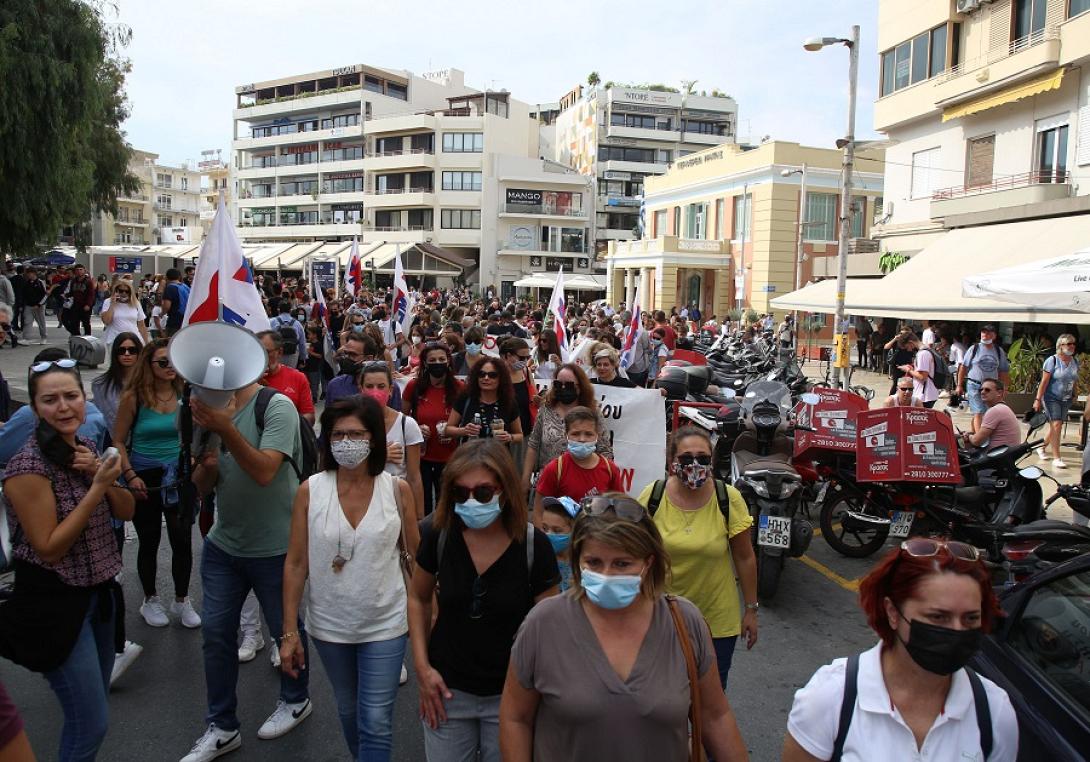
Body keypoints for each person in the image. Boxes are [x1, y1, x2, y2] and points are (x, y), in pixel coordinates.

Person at [499, 493, 749, 761]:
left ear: (648, 563)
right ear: (578, 560)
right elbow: (515, 718)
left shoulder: (685, 622)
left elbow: (715, 716)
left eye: (622, 563)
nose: (606, 575)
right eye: (594, 562)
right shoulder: (543, 624)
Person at [0, 357, 134, 760]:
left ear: (84, 399)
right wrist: (97, 488)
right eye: (50, 400)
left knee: (95, 711)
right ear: (33, 408)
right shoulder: (26, 468)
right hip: (56, 606)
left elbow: (127, 510)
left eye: (71, 396)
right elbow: (49, 547)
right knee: (89, 724)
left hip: (100, 596)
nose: (63, 407)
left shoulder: (87, 448)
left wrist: (101, 475)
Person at [783, 538, 1016, 761]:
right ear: (893, 613)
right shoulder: (830, 697)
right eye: (938, 617)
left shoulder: (994, 712)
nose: (957, 631)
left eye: (970, 618)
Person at [280, 398, 420, 761]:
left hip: (386, 622)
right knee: (348, 710)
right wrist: (289, 632)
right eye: (338, 435)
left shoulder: (397, 490)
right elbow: (296, 564)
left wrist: (427, 615)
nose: (346, 442)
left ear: (374, 438)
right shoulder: (310, 491)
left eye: (356, 434)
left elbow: (416, 559)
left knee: (375, 719)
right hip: (330, 625)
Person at [182, 372, 310, 761]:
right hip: (224, 545)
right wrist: (207, 462)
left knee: (285, 629)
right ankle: (222, 726)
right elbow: (203, 485)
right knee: (216, 635)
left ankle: (296, 699)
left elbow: (265, 471)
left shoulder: (275, 406)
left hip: (276, 546)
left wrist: (225, 428)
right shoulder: (203, 409)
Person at [408, 439, 559, 762]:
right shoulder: (439, 534)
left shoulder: (534, 546)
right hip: (446, 690)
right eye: (460, 493)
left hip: (512, 695)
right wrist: (422, 668)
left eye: (484, 493)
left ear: (505, 490)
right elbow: (418, 597)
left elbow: (550, 626)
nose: (471, 502)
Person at [638, 427, 758, 689]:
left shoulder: (728, 498)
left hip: (715, 622)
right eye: (686, 458)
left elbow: (745, 557)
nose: (695, 464)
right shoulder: (653, 496)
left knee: (710, 698)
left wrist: (751, 610)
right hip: (661, 618)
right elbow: (634, 554)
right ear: (672, 461)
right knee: (661, 694)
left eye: (703, 458)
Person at [111, 338, 199, 630]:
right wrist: (130, 475)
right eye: (163, 362)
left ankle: (182, 599)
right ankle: (150, 599)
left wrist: (194, 458)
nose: (170, 367)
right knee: (149, 540)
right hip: (144, 476)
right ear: (149, 365)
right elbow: (118, 441)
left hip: (178, 475)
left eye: (173, 361)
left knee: (182, 539)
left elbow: (196, 433)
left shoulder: (186, 394)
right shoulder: (134, 397)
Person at [523, 364, 612, 494]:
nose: (563, 388)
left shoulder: (593, 413)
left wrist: (602, 482)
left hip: (583, 485)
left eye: (569, 385)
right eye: (558, 384)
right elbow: (533, 444)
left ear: (580, 387)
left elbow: (605, 450)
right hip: (548, 484)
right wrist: (525, 479)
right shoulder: (546, 409)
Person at [403, 342, 465, 516]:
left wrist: (453, 430)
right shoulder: (414, 387)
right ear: (424, 363)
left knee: (445, 503)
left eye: (441, 359)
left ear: (448, 361)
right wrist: (415, 428)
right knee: (422, 502)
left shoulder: (460, 388)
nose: (437, 363)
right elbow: (402, 418)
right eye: (432, 360)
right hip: (420, 456)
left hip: (450, 456)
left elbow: (467, 421)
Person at [359, 361, 425, 520]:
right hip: (360, 501)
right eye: (369, 386)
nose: (375, 392)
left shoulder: (406, 425)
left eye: (381, 386)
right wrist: (380, 455)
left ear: (390, 390)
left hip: (395, 503)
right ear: (361, 389)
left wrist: (419, 518)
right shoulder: (350, 424)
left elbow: (414, 477)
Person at [533, 407, 624, 520]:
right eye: (575, 434)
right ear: (566, 435)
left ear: (597, 435)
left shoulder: (610, 470)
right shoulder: (554, 469)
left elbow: (620, 508)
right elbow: (538, 512)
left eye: (588, 434)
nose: (582, 439)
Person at [444, 356, 524, 449]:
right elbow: (448, 430)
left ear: (501, 378)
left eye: (492, 375)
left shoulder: (508, 401)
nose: (486, 378)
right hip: (469, 455)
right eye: (481, 374)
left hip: (497, 455)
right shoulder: (465, 398)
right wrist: (464, 431)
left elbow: (519, 435)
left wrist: (509, 437)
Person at [1032, 333, 1079, 469]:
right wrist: (1037, 400)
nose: (1072, 346)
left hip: (1066, 398)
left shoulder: (1074, 361)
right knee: (1057, 424)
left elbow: (1074, 379)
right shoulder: (1052, 361)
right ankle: (1057, 458)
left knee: (1056, 425)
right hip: (1051, 397)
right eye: (1069, 344)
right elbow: (1044, 382)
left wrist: (1075, 393)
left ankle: (1041, 447)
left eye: (1073, 343)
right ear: (1061, 346)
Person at [955, 325, 1010, 434]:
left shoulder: (998, 351)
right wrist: (959, 385)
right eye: (983, 332)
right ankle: (980, 439)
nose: (985, 335)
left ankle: (974, 433)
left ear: (994, 336)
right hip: (974, 385)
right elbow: (963, 367)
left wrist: (1004, 388)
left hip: (991, 387)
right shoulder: (974, 349)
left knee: (985, 412)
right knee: (979, 412)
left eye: (988, 333)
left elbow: (1003, 371)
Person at [258, 330, 316, 424]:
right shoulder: (247, 381)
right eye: (257, 352)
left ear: (280, 352)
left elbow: (309, 415)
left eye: (266, 352)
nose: (261, 356)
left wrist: (287, 427)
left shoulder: (297, 378)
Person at [960, 379, 1022, 451]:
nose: (982, 392)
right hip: (1008, 453)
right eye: (981, 390)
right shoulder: (1003, 408)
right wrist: (972, 434)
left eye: (987, 390)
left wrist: (968, 436)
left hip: (997, 455)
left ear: (999, 393)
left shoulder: (995, 411)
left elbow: (977, 441)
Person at [538, 496, 577, 591]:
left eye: (557, 530)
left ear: (574, 531)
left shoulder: (582, 563)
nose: (549, 534)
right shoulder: (538, 559)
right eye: (545, 528)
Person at [100, 278, 149, 347]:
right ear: (116, 290)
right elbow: (106, 321)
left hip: (133, 340)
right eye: (121, 291)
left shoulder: (136, 303)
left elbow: (141, 326)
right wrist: (112, 304)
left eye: (127, 291)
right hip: (114, 340)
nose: (124, 293)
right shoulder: (108, 302)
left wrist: (146, 344)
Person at [270, 299, 306, 371]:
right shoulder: (297, 324)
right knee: (291, 374)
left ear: (278, 309)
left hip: (277, 354)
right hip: (293, 355)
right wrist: (303, 358)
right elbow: (302, 343)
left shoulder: (271, 322)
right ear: (290, 310)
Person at [61, 264, 95, 336]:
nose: (79, 271)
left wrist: (88, 304)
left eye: (81, 269)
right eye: (77, 270)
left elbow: (91, 294)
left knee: (86, 323)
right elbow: (72, 292)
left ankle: (88, 337)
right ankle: (77, 336)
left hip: (85, 305)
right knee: (74, 322)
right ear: (75, 271)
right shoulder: (73, 281)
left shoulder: (88, 282)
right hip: (76, 305)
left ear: (84, 271)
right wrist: (66, 295)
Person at [884, 329, 917, 395]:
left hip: (907, 366)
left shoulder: (909, 343)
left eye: (904, 334)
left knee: (907, 383)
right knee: (896, 383)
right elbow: (886, 347)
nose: (902, 336)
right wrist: (894, 339)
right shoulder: (896, 342)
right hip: (897, 366)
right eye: (901, 333)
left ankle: (904, 396)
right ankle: (891, 397)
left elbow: (914, 351)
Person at [19, 267, 48, 345]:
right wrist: (22, 305)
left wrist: (39, 304)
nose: (28, 275)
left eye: (29, 273)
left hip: (39, 306)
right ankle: (26, 338)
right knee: (27, 322)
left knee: (41, 322)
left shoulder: (40, 282)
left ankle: (44, 337)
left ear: (34, 273)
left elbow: (45, 295)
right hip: (28, 306)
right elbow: (23, 295)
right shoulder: (26, 283)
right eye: (27, 274)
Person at [160, 268, 190, 338]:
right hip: (185, 319)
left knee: (171, 340)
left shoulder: (170, 288)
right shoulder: (185, 286)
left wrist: (162, 313)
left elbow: (167, 306)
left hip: (174, 321)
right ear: (179, 276)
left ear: (167, 277)